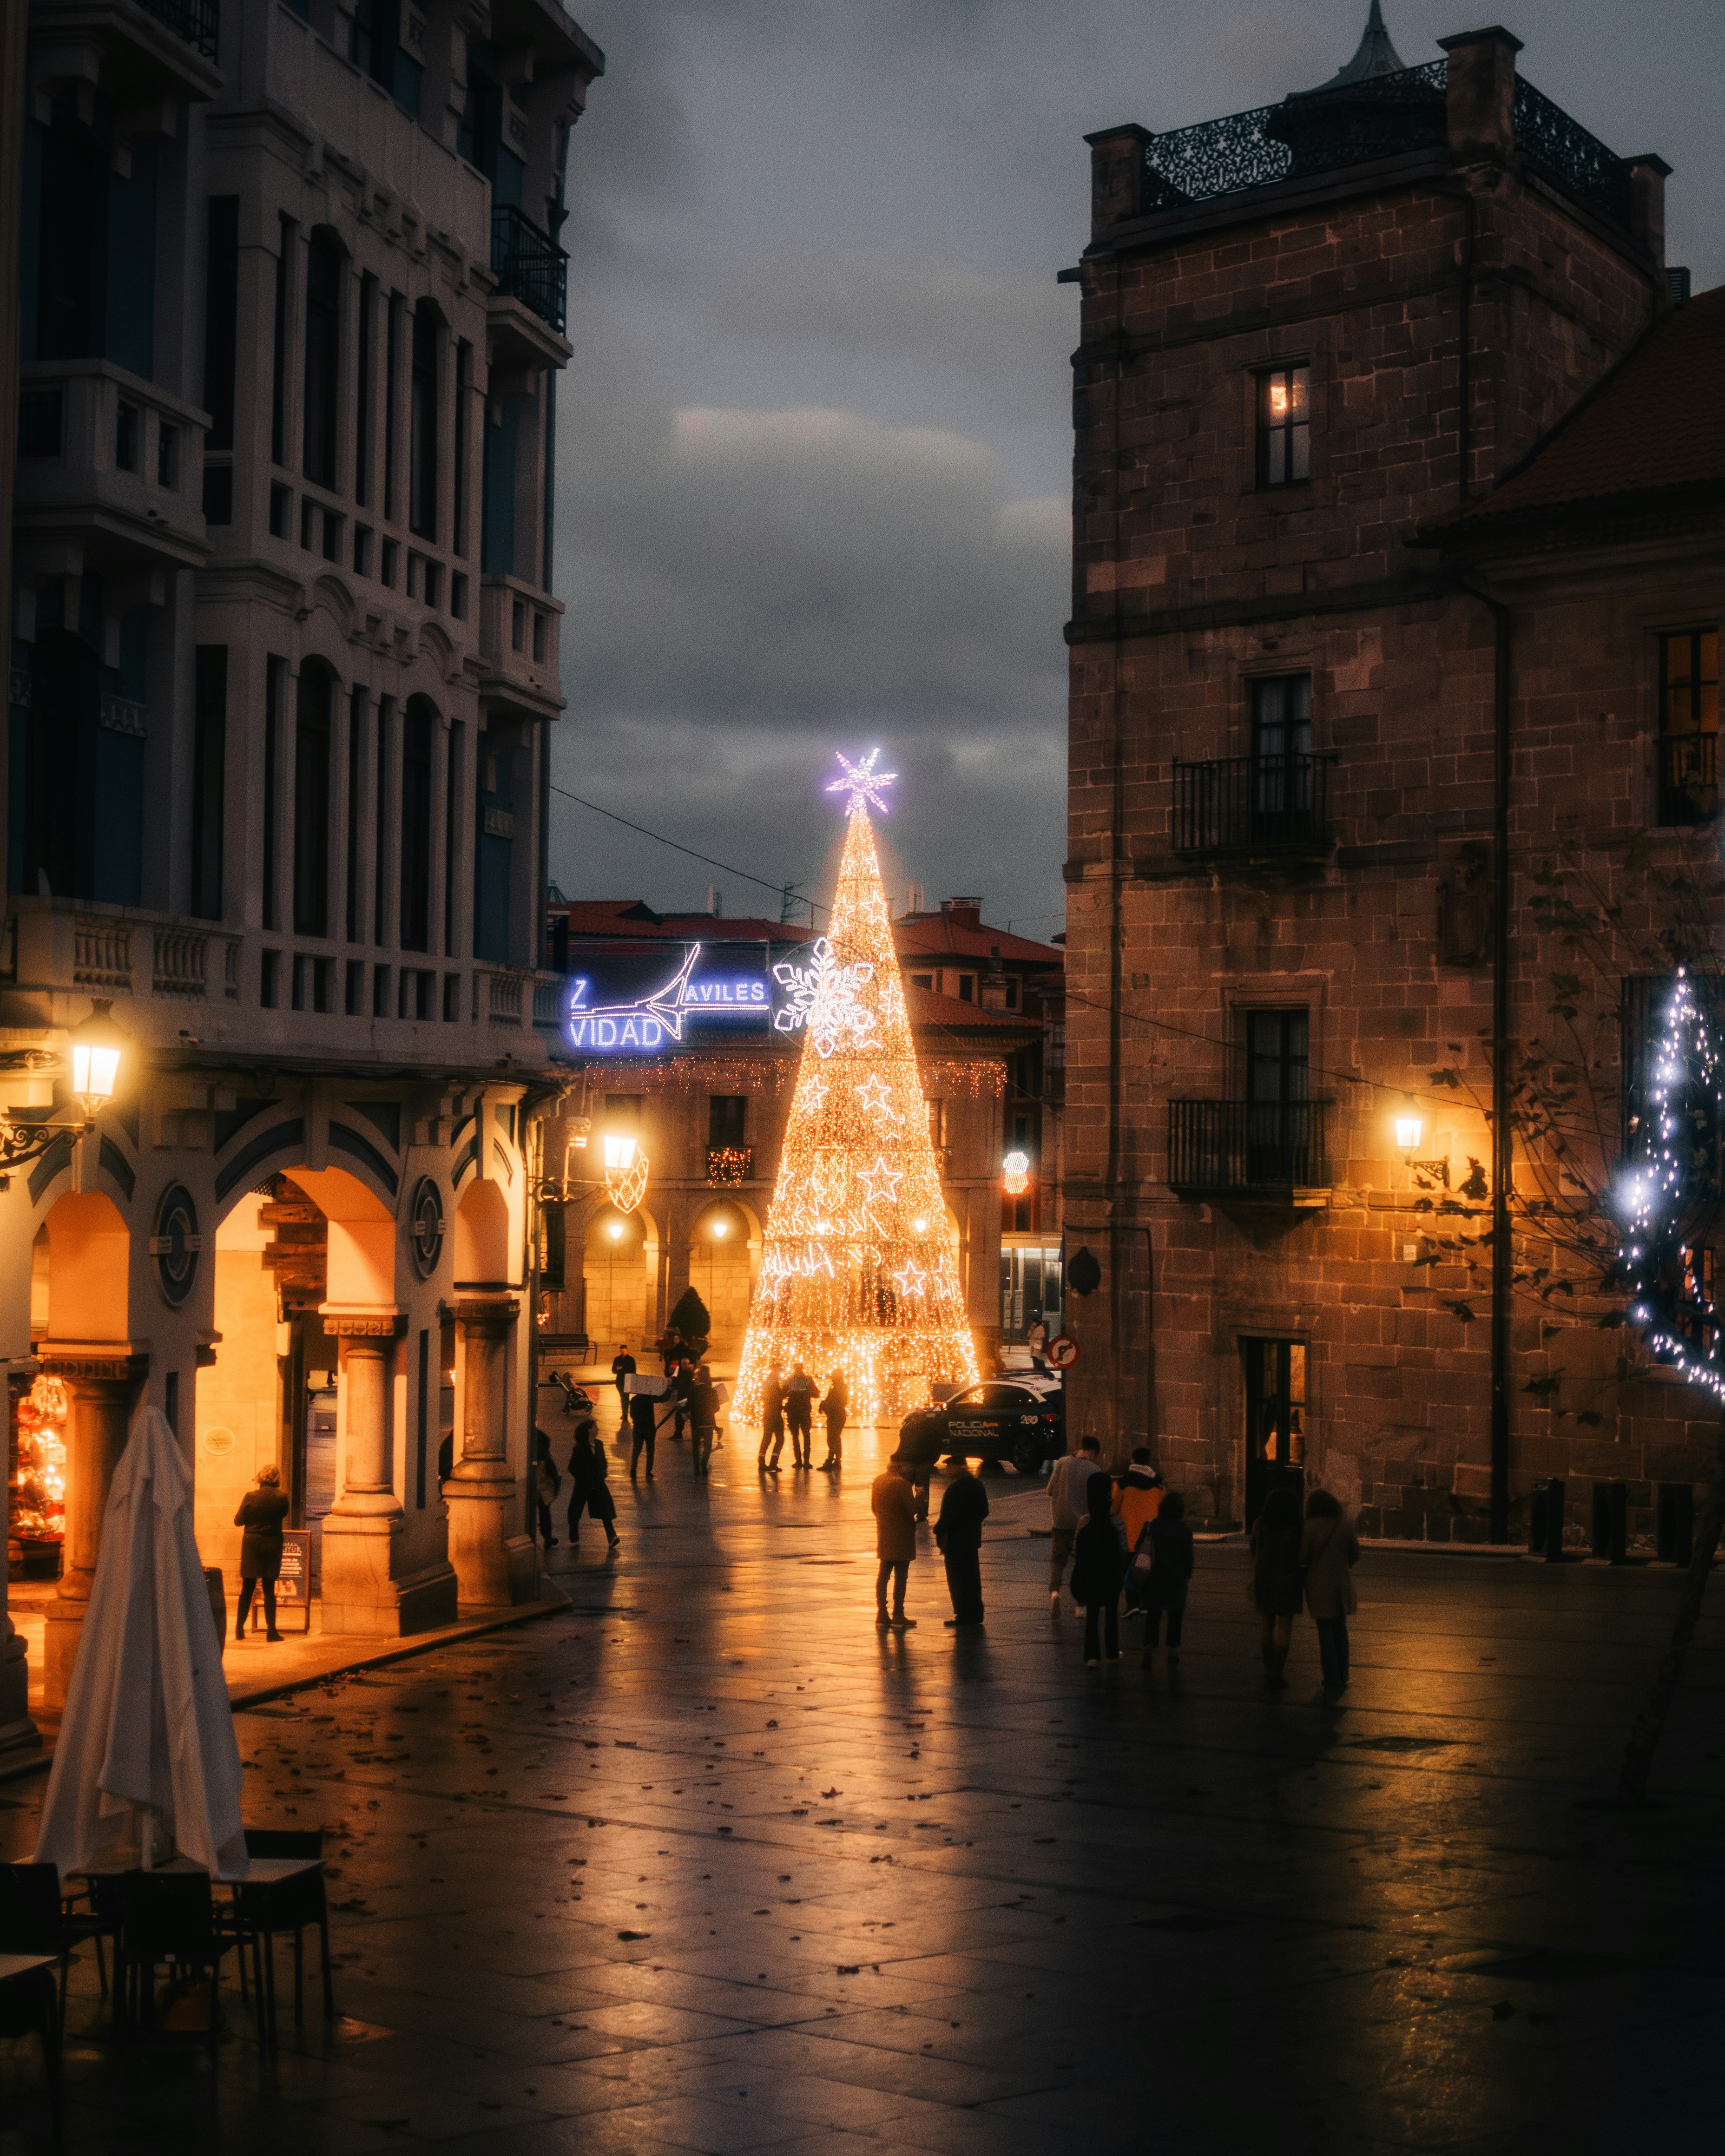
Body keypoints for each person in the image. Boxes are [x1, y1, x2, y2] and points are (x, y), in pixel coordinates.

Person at [1301, 1488, 1361, 1689]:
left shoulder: (1308, 1528)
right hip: (1340, 1585)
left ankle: (1332, 1677)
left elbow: (1303, 1558)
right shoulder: (1344, 1526)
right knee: (1341, 1631)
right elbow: (1355, 1554)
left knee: (1325, 1633)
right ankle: (1344, 1674)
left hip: (1318, 1586)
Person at [1046, 1436, 1106, 1616]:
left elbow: (1049, 1491)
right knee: (1083, 1563)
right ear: (1094, 1452)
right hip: (1083, 1525)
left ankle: (1055, 1593)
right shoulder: (1095, 1470)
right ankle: (1081, 1605)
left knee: (1058, 1561)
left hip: (1060, 1522)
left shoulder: (1062, 1463)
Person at [1251, 1486, 1304, 1689]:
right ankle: (1277, 1672)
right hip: (1289, 1577)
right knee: (1284, 1626)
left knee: (1267, 1624)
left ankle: (1267, 1669)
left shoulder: (1260, 1525)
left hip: (1265, 1577)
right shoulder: (1297, 1528)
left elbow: (1253, 1550)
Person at [1070, 1473, 1125, 1666]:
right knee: (1111, 1614)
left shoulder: (1084, 1522)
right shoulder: (1117, 1523)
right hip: (1111, 1576)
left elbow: (1076, 1552)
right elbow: (1123, 1550)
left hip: (1090, 1577)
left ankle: (1092, 1656)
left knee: (1092, 1615)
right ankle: (1111, 1651)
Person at [233, 1463, 290, 1641]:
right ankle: (272, 1631)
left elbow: (238, 1521)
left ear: (260, 1478)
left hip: (252, 1543)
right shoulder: (282, 1497)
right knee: (269, 1589)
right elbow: (284, 1514)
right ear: (277, 1479)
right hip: (272, 1542)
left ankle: (239, 1629)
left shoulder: (251, 1496)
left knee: (247, 1588)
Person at [934, 1454, 988, 1628]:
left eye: (949, 1468)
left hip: (955, 1541)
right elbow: (984, 1511)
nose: (947, 1472)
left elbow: (947, 1518)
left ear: (958, 1467)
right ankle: (975, 1613)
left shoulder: (955, 1489)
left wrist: (938, 1530)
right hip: (971, 1540)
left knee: (957, 1579)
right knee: (972, 1578)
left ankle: (963, 1614)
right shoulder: (977, 1485)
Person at [1142, 1492, 1195, 1664]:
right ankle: (1173, 1651)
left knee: (1153, 1615)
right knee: (1175, 1615)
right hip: (1176, 1579)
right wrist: (1187, 1573)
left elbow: (1139, 1548)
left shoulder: (1151, 1526)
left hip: (1154, 1577)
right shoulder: (1185, 1530)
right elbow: (1188, 1556)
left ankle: (1149, 1649)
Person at [870, 1458, 918, 1629]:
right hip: (902, 1536)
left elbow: (874, 1508)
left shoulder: (878, 1480)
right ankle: (898, 1614)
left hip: (884, 1535)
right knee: (901, 1577)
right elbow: (913, 1509)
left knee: (883, 1575)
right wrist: (920, 1495)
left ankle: (881, 1613)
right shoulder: (902, 1484)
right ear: (900, 1467)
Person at [566, 1418, 619, 1551]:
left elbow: (603, 1461)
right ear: (589, 1430)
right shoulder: (580, 1447)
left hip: (598, 1484)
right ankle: (574, 1534)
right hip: (584, 1485)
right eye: (595, 1427)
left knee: (605, 1510)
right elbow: (572, 1467)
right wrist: (582, 1479)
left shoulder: (599, 1444)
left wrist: (604, 1473)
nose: (598, 1429)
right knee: (576, 1510)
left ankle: (612, 1537)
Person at [690, 1363, 723, 1476]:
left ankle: (696, 1469)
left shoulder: (694, 1391)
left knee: (696, 1446)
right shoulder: (712, 1392)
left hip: (696, 1423)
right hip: (708, 1422)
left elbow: (689, 1406)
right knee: (708, 1446)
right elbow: (717, 1407)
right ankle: (704, 1464)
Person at [532, 1429, 560, 1548]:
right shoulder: (545, 1452)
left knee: (539, 1511)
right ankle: (547, 1537)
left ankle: (545, 1536)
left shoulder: (536, 1453)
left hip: (538, 1487)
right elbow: (552, 1470)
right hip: (544, 1488)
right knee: (545, 1512)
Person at [784, 1362, 816, 1468]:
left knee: (799, 1436)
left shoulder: (790, 1381)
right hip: (802, 1411)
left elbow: (782, 1393)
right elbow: (816, 1393)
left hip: (797, 1412)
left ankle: (801, 1461)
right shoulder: (808, 1380)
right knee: (804, 1436)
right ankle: (804, 1461)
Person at [628, 1383, 660, 1481]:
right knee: (650, 1451)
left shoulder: (634, 1400)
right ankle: (648, 1472)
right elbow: (663, 1397)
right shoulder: (650, 1399)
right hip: (649, 1428)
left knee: (636, 1451)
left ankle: (633, 1470)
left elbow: (632, 1415)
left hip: (638, 1428)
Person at [817, 1369, 848, 1471]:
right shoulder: (837, 1387)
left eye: (834, 1375)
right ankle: (835, 1461)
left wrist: (825, 1405)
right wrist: (824, 1404)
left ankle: (832, 1461)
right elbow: (832, 1399)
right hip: (835, 1415)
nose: (832, 1377)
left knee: (833, 1438)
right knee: (834, 1438)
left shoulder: (840, 1387)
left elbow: (838, 1401)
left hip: (837, 1415)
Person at [758, 1363, 786, 1472]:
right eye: (779, 1371)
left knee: (768, 1438)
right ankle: (772, 1463)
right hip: (774, 1414)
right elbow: (776, 1397)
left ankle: (762, 1463)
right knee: (778, 1439)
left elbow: (765, 1397)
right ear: (775, 1371)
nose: (780, 1373)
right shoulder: (773, 1383)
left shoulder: (768, 1382)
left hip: (770, 1413)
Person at [611, 1344, 636, 1435]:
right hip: (620, 1381)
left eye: (624, 1351)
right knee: (623, 1397)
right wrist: (617, 1369)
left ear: (627, 1350)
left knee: (625, 1397)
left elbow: (633, 1371)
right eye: (621, 1351)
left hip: (628, 1380)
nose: (623, 1352)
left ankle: (625, 1413)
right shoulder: (617, 1359)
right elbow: (613, 1370)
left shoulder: (631, 1359)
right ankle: (624, 1412)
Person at [670, 1357, 695, 1441]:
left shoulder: (690, 1375)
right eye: (683, 1364)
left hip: (686, 1399)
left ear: (689, 1365)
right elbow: (677, 1385)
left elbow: (687, 1387)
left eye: (686, 1364)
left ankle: (679, 1434)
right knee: (680, 1417)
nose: (685, 1365)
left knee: (684, 1416)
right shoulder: (682, 1374)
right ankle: (678, 1433)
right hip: (682, 1398)